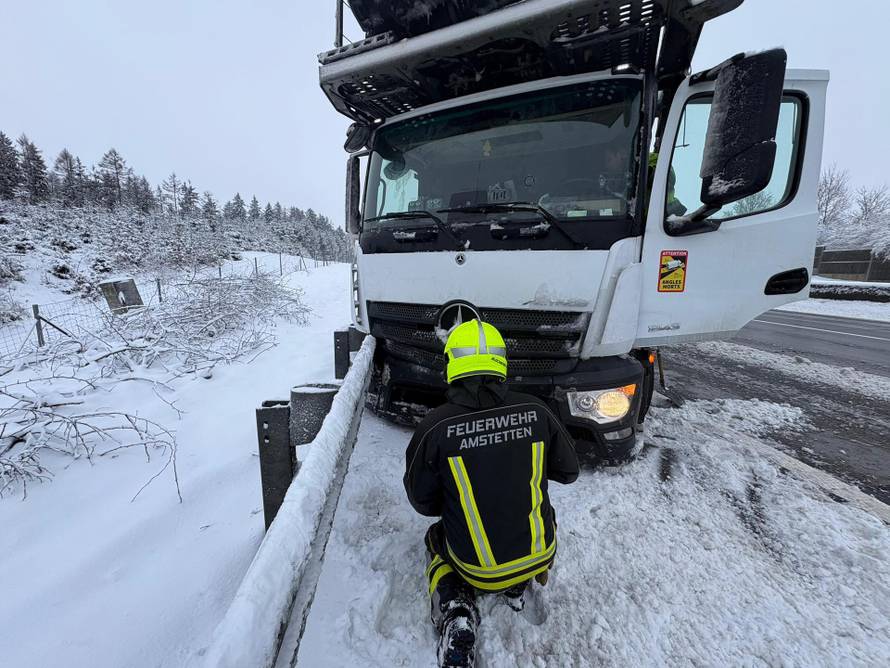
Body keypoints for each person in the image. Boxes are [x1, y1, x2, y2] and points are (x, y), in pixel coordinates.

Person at [403, 319, 580, 668]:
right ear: (501, 361)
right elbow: (568, 472)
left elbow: (422, 502)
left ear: (452, 363)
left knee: (436, 537)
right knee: (539, 506)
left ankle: (456, 613)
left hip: (477, 569)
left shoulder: (435, 426)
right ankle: (518, 586)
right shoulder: (537, 410)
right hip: (540, 553)